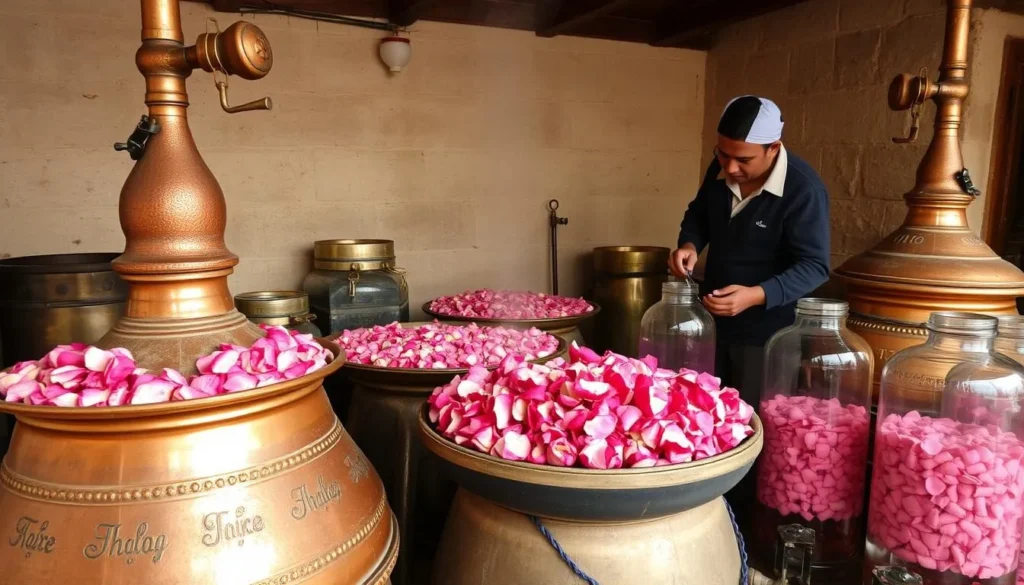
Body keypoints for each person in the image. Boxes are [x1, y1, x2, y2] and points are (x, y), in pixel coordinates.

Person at [669, 95, 830, 406]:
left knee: (753, 416)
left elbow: (815, 266)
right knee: (706, 409)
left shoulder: (803, 190)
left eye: (743, 160)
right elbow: (699, 214)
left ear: (773, 148)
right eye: (723, 154)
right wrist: (689, 244)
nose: (730, 167)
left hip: (768, 335)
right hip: (712, 324)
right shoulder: (722, 169)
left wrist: (756, 295)